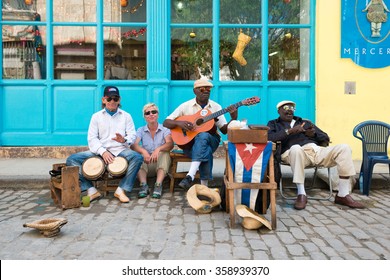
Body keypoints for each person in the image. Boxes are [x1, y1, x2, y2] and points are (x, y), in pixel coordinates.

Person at [267, 100, 365, 210]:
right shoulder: (273, 124)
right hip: (291, 153)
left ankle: (342, 194)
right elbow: (270, 138)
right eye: (286, 108)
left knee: (344, 148)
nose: (289, 110)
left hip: (315, 151)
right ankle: (301, 194)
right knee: (296, 148)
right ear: (279, 111)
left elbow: (325, 138)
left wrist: (314, 134)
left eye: (292, 108)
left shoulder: (305, 122)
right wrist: (290, 131)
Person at [66, 86, 143, 203]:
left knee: (137, 157)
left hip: (120, 150)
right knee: (72, 160)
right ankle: (91, 191)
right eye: (109, 99)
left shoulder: (126, 116)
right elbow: (92, 138)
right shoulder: (96, 117)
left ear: (119, 100)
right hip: (100, 151)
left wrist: (124, 140)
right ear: (103, 100)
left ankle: (121, 190)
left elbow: (132, 135)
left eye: (115, 99)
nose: (112, 101)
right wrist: (103, 151)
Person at [163, 78, 238, 189]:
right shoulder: (186, 106)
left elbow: (224, 130)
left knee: (203, 135)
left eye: (208, 89)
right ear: (195, 91)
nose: (206, 91)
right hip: (190, 144)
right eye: (202, 89)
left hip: (212, 139)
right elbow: (166, 122)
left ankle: (190, 175)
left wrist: (234, 118)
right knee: (205, 149)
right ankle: (204, 188)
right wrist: (179, 123)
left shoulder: (215, 107)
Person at [131, 103, 174, 199]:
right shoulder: (141, 130)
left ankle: (158, 185)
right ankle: (143, 185)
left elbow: (170, 144)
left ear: (158, 114)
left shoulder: (165, 129)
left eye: (153, 112)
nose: (151, 114)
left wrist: (158, 149)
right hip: (147, 163)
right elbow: (134, 145)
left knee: (164, 153)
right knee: (137, 155)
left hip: (161, 164)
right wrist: (144, 151)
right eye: (147, 113)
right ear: (144, 117)